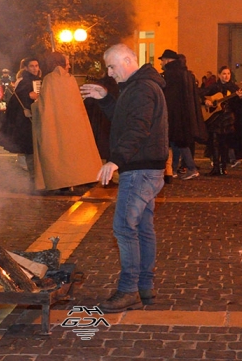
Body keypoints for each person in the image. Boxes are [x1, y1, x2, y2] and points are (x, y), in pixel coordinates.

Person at [80, 44, 168, 313]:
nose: (109, 72)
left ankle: (129, 290)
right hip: (147, 167)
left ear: (129, 60)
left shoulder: (142, 88)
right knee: (142, 228)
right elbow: (125, 117)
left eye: (112, 66)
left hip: (139, 169)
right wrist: (106, 99)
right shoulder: (140, 85)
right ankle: (144, 287)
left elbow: (137, 127)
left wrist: (115, 160)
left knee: (124, 228)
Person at [31, 52, 102, 191]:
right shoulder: (70, 79)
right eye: (66, 62)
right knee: (76, 152)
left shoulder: (49, 79)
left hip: (55, 124)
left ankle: (61, 181)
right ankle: (81, 177)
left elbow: (44, 106)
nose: (68, 65)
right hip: (74, 122)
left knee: (57, 153)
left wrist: (34, 106)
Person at [159, 49, 205, 180]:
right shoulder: (186, 74)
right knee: (176, 141)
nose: (161, 63)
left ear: (168, 60)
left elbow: (169, 97)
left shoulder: (170, 75)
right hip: (185, 113)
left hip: (175, 114)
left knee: (178, 141)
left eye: (162, 60)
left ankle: (190, 168)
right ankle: (173, 169)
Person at [0, 57, 42, 181]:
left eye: (36, 65)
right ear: (26, 68)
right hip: (25, 121)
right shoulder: (25, 82)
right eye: (32, 66)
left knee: (33, 149)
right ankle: (34, 179)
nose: (35, 68)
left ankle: (36, 178)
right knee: (30, 148)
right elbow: (17, 100)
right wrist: (29, 98)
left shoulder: (37, 80)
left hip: (34, 119)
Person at [201, 66, 242, 175]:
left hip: (228, 118)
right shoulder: (214, 86)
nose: (226, 76)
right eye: (224, 73)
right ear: (219, 75)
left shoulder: (233, 88)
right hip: (215, 118)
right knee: (214, 142)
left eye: (228, 74)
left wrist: (240, 98)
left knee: (225, 143)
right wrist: (206, 101)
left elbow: (238, 105)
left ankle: (223, 167)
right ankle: (216, 167)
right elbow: (201, 93)